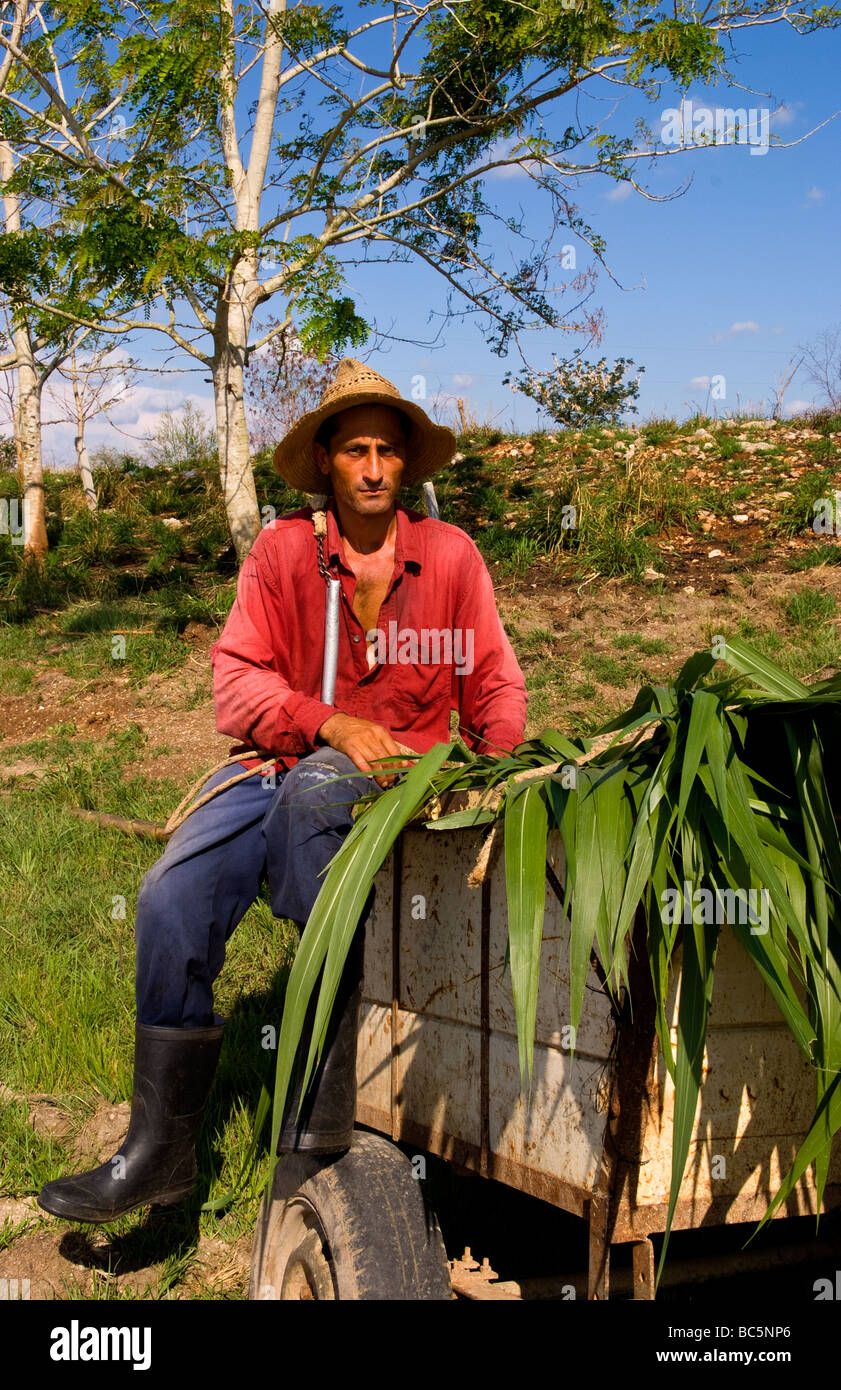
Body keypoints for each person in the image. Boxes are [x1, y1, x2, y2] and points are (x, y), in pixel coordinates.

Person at [38, 358, 528, 1224]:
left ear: (405, 464)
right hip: (279, 764)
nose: (373, 468)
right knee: (168, 896)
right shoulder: (283, 552)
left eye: (386, 451)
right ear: (327, 463)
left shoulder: (449, 558)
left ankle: (312, 1140)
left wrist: (496, 781)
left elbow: (494, 689)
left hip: (393, 781)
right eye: (355, 451)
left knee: (316, 800)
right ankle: (162, 1153)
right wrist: (324, 721)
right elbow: (236, 685)